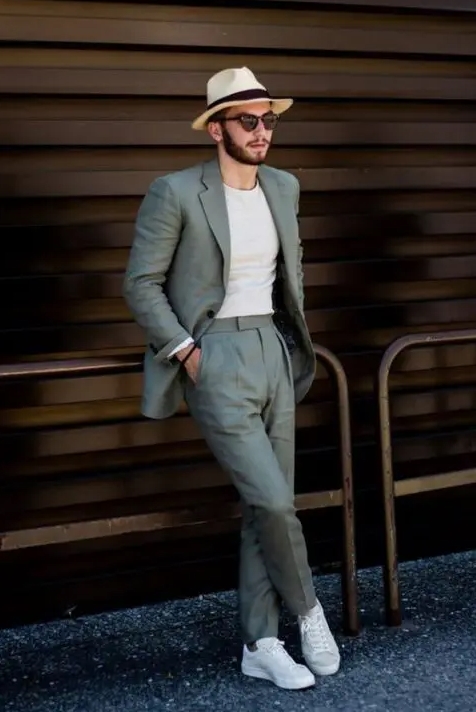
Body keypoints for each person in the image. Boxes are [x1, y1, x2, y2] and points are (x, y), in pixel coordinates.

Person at [123, 66, 340, 690]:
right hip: (214, 356)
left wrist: (288, 342)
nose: (262, 130)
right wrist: (187, 350)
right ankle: (308, 610)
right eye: (249, 120)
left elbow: (289, 272)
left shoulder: (284, 186)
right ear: (216, 128)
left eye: (269, 119)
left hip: (273, 347)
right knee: (273, 500)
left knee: (261, 507)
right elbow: (140, 282)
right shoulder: (175, 191)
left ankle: (261, 643)